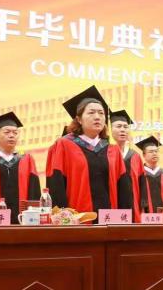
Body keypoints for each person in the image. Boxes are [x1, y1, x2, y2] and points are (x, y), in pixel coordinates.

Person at [46, 85, 134, 214]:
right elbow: (56, 185)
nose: (97, 117)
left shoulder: (113, 150)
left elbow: (123, 189)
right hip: (77, 219)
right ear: (79, 119)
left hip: (109, 219)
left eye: (101, 113)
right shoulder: (64, 145)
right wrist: (63, 218)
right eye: (91, 113)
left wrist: (123, 218)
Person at [110, 109, 143, 220]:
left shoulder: (135, 156)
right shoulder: (105, 153)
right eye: (118, 126)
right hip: (111, 207)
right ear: (110, 130)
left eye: (125, 127)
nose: (123, 130)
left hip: (133, 206)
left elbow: (142, 184)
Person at [136, 136, 163, 214]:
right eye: (151, 151)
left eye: (156, 151)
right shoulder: (139, 174)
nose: (154, 153)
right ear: (144, 155)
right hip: (145, 215)